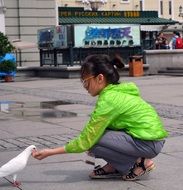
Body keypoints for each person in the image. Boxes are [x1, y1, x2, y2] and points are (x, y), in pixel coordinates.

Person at [32, 54, 168, 181]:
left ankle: (141, 164)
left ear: (100, 78)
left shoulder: (109, 100)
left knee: (93, 141)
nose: (85, 86)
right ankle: (115, 166)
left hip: (148, 143)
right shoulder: (116, 92)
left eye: (85, 81)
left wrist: (49, 152)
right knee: (95, 139)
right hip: (149, 140)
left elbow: (86, 140)